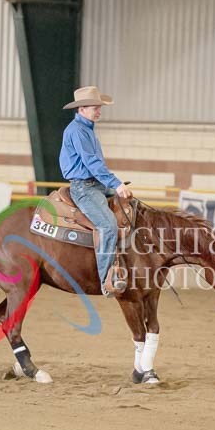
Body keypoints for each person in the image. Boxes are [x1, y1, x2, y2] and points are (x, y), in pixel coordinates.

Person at [59, 86, 133, 297]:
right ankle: (106, 281)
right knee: (107, 225)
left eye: (99, 107)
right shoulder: (77, 131)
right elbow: (92, 163)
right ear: (82, 109)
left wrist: (112, 184)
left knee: (130, 208)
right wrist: (116, 184)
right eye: (95, 108)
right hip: (84, 187)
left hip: (95, 184)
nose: (99, 111)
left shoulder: (86, 129)